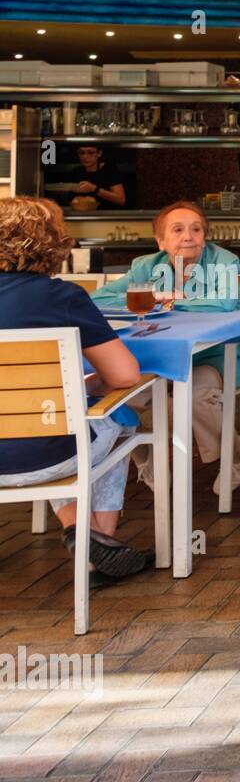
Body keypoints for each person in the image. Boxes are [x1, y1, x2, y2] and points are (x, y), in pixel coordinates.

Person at [0, 197, 151, 583]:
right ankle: (94, 550)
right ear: (52, 242)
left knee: (52, 413)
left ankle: (81, 533)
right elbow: (124, 375)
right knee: (115, 417)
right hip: (44, 457)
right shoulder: (60, 296)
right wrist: (83, 386)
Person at [91, 201, 240, 493]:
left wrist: (175, 300)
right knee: (112, 392)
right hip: (156, 357)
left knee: (193, 395)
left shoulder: (223, 261)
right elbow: (98, 299)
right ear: (160, 241)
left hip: (216, 355)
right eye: (177, 230)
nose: (188, 236)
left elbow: (226, 302)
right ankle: (145, 459)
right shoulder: (145, 266)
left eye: (196, 229)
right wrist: (154, 295)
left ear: (205, 236)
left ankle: (237, 456)